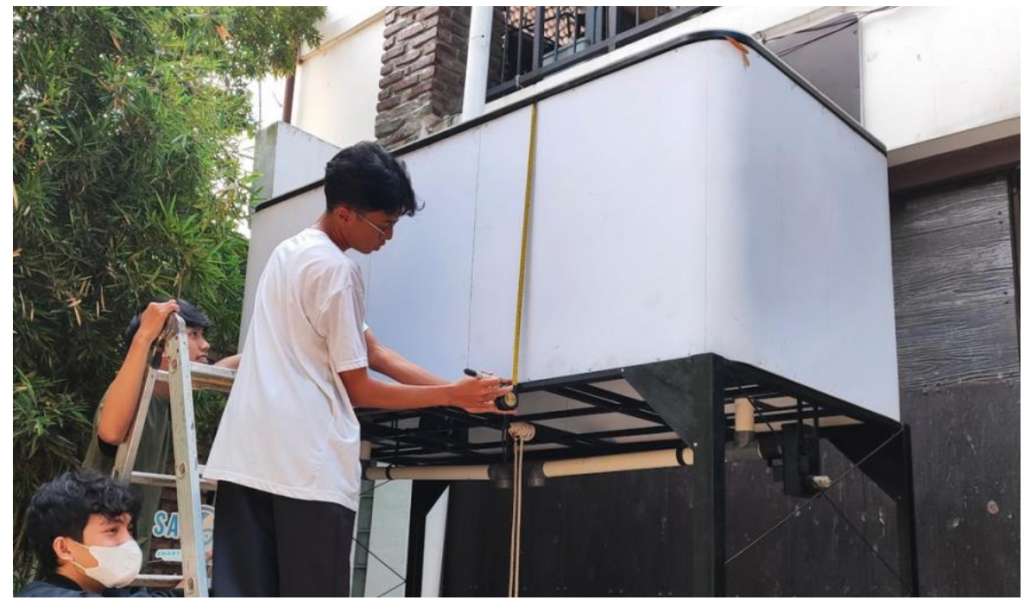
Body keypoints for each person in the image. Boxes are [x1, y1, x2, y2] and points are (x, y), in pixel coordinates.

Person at [204, 141, 513, 597]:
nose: (388, 237)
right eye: (384, 225)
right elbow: (360, 387)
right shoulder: (337, 270)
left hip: (248, 460)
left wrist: (465, 394)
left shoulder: (288, 253)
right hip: (307, 468)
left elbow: (376, 353)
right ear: (345, 214)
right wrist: (450, 396)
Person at [82, 298, 238, 562]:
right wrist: (143, 337)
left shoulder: (166, 394)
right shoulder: (134, 392)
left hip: (126, 554)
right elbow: (111, 432)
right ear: (163, 345)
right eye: (194, 335)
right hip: (92, 551)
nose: (205, 345)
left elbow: (213, 372)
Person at [18, 470, 178, 597]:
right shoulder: (38, 598)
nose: (129, 541)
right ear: (64, 549)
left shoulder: (117, 593)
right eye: (112, 530)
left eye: (129, 529)